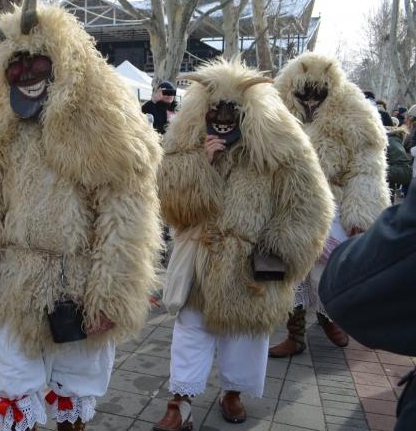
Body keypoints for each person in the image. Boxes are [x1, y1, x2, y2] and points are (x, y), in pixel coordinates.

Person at [0, 0, 163, 430]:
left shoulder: (106, 119)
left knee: (74, 387)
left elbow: (128, 218)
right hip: (19, 280)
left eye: (36, 60)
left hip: (83, 282)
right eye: (15, 64)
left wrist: (111, 293)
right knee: (15, 382)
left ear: (62, 60)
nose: (25, 72)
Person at [152, 59, 332, 430]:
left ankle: (232, 392)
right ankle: (180, 400)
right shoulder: (186, 140)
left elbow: (310, 204)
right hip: (199, 257)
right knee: (191, 329)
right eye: (214, 108)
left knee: (246, 335)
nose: (222, 116)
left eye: (231, 109)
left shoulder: (283, 146)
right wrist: (200, 163)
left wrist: (279, 251)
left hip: (251, 263)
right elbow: (168, 203)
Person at [269, 54, 391, 358]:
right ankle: (294, 334)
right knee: (286, 271)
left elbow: (367, 167)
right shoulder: (274, 107)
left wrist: (361, 212)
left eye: (318, 92)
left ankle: (328, 316)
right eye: (304, 92)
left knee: (329, 265)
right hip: (285, 202)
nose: (310, 100)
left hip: (332, 202)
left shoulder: (354, 110)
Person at [318, 180, 416, 431]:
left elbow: (349, 288)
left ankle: (324, 320)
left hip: (340, 217)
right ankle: (297, 331)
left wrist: (361, 217)